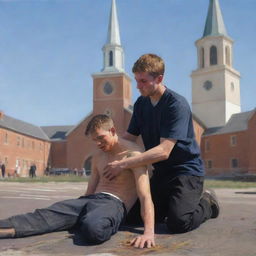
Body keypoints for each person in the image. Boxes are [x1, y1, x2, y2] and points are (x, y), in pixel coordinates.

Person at [103, 54, 220, 233]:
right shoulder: (141, 104)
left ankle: (208, 202)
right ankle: (172, 205)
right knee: (133, 218)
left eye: (143, 81)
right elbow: (128, 138)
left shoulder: (176, 105)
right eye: (136, 80)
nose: (138, 86)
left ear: (159, 78)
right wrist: (107, 144)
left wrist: (123, 164)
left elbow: (164, 151)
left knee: (179, 222)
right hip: (161, 173)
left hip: (186, 172)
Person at [0, 115, 155, 248]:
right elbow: (90, 191)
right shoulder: (98, 157)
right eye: (95, 140)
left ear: (112, 131)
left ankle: (79, 221)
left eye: (101, 138)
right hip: (90, 200)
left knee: (93, 229)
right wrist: (77, 207)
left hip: (114, 203)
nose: (98, 144)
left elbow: (145, 196)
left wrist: (149, 233)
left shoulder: (134, 155)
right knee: (45, 216)